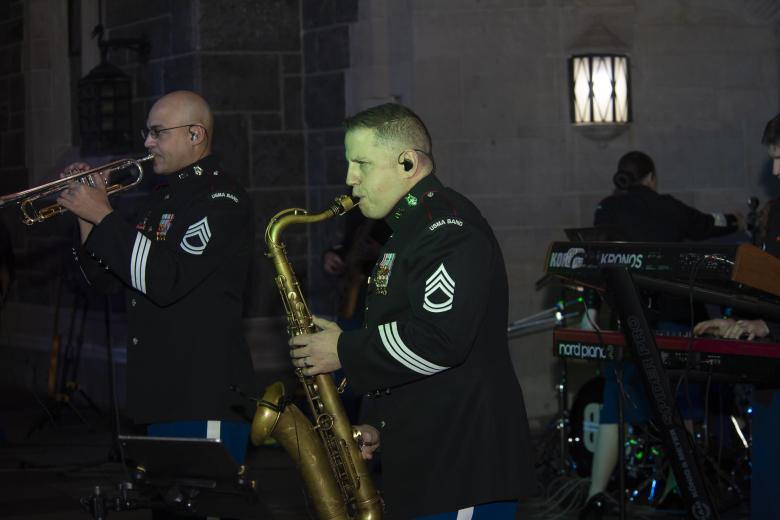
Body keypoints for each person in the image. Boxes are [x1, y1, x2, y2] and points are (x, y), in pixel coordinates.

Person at [287, 103, 536, 520]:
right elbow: (409, 341)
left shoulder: (447, 227)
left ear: (407, 163)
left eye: (362, 163)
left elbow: (441, 341)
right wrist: (379, 426)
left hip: (464, 464)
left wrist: (343, 349)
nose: (350, 178)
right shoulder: (410, 229)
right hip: (434, 457)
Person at [57, 91, 257, 469]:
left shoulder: (220, 198)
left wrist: (103, 215)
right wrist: (86, 216)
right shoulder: (160, 199)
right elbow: (106, 282)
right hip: (160, 391)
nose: (148, 143)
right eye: (147, 133)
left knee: (206, 498)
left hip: (202, 392)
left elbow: (167, 281)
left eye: (158, 132)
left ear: (195, 135)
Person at [580, 151, 743, 519]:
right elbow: (710, 225)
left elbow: (598, 256)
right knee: (681, 407)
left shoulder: (608, 208)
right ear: (651, 177)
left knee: (615, 406)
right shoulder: (670, 207)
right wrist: (736, 218)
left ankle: (596, 495)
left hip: (632, 322)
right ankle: (678, 491)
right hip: (678, 321)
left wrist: (590, 313)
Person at [693, 113, 780, 520]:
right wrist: (738, 321)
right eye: (773, 158)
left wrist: (767, 324)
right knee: (768, 486)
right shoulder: (777, 212)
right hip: (773, 376)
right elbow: (770, 287)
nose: (775, 170)